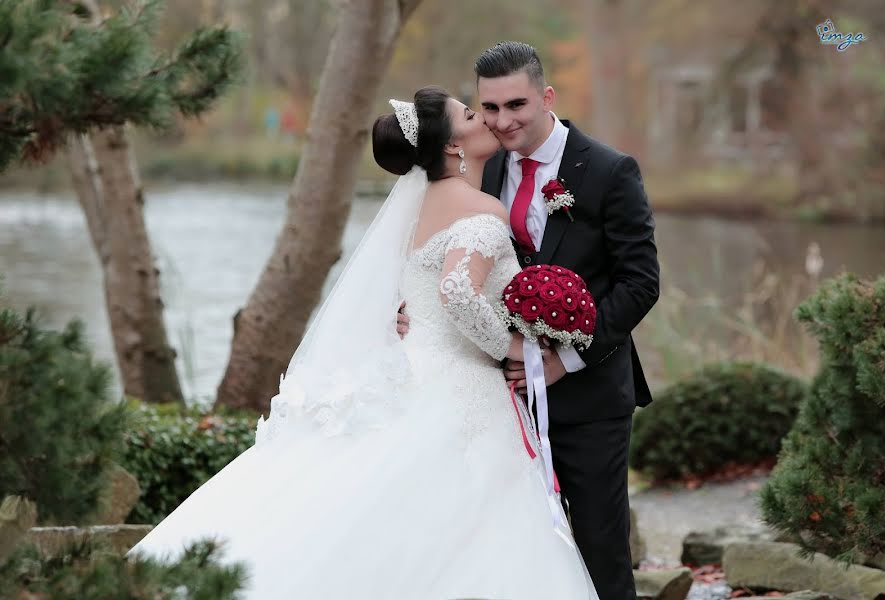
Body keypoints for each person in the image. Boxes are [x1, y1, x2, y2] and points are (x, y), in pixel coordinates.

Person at [127, 85, 599, 599]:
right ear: (450, 146)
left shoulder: (419, 208)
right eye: (469, 113)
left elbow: (410, 288)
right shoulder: (480, 208)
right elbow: (458, 290)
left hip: (411, 367)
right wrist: (512, 349)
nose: (483, 117)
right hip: (458, 382)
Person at [399, 41, 660, 599]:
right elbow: (451, 261)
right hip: (498, 401)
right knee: (513, 555)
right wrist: (413, 314)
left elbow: (640, 284)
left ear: (547, 97)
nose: (501, 121)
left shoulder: (610, 171)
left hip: (589, 399)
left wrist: (564, 358)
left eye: (516, 105)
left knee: (599, 552)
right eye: (488, 108)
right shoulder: (480, 169)